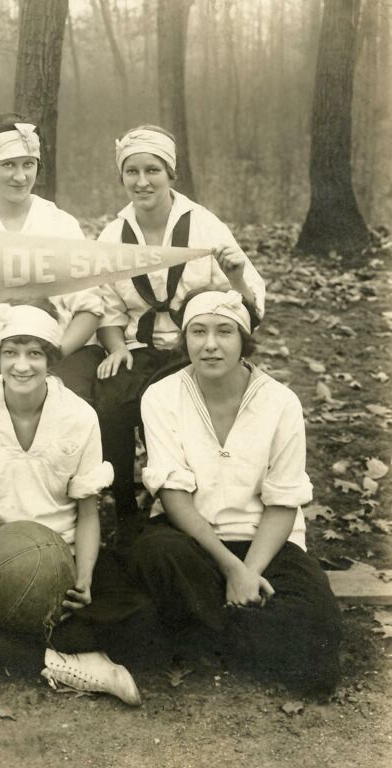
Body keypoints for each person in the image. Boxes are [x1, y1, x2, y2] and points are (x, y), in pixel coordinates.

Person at [0, 302, 154, 705]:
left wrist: (83, 579)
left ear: (51, 360)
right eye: (10, 352)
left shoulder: (80, 415)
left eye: (34, 353)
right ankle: (73, 660)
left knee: (141, 614)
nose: (22, 365)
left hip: (63, 551)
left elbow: (88, 512)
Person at [128, 289, 341, 694]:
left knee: (319, 631)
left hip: (267, 545)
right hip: (192, 542)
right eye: (198, 332)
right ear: (184, 339)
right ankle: (251, 634)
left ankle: (206, 635)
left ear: (244, 340)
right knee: (155, 555)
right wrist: (231, 569)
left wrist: (249, 572)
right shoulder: (162, 396)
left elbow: (283, 502)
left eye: (224, 331)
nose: (210, 344)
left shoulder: (281, 402)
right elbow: (173, 495)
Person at [94, 125, 266, 528]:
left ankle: (183, 500)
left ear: (171, 174)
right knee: (110, 400)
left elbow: (247, 309)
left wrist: (236, 277)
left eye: (152, 170)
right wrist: (116, 346)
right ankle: (124, 507)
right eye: (132, 172)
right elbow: (107, 307)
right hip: (139, 347)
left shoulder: (204, 226)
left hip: (194, 347)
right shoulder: (113, 235)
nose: (142, 181)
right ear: (121, 177)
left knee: (174, 403)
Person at [0, 113, 104, 404]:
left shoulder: (61, 225)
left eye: (28, 164)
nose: (20, 176)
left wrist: (54, 354)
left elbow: (89, 308)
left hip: (63, 351)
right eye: (8, 165)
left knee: (68, 404)